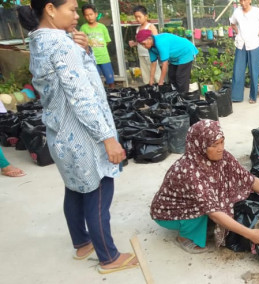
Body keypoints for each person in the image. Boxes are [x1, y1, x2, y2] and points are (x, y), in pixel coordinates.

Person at [17, 0, 138, 274]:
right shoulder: (62, 45)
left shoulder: (39, 42)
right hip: (84, 134)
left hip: (61, 133)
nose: (76, 16)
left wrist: (83, 51)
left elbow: (73, 79)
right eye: (71, 10)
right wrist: (107, 137)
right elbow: (81, 96)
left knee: (74, 188)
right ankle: (108, 257)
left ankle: (82, 243)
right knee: (98, 191)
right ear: (50, 9)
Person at [150, 120, 259, 253]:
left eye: (222, 142)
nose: (220, 148)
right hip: (169, 212)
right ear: (200, 145)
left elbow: (247, 179)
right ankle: (184, 238)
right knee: (203, 210)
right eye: (214, 145)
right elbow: (213, 211)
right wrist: (250, 234)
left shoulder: (223, 156)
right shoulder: (190, 171)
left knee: (229, 190)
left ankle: (200, 224)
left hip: (197, 200)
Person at [229, 0, 259, 104]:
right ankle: (236, 96)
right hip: (241, 45)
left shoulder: (257, 12)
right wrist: (238, 33)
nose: (242, 2)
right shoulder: (237, 12)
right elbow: (232, 23)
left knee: (253, 71)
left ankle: (253, 97)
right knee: (238, 70)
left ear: (249, 1)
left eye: (245, 0)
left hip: (254, 44)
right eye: (241, 0)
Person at [80, 3, 116, 88]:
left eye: (91, 14)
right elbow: (82, 43)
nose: (89, 17)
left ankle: (114, 95)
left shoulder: (102, 27)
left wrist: (99, 47)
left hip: (104, 58)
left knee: (110, 79)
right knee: (95, 81)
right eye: (87, 15)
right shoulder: (83, 28)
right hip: (91, 59)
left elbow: (107, 41)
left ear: (96, 14)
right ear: (84, 16)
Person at [128, 5, 161, 85]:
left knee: (155, 73)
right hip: (141, 54)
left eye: (139, 17)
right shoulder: (138, 28)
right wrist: (134, 43)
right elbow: (140, 42)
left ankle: (160, 87)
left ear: (146, 16)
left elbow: (156, 40)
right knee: (145, 74)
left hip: (150, 54)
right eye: (136, 17)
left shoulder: (150, 26)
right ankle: (149, 89)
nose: (137, 19)